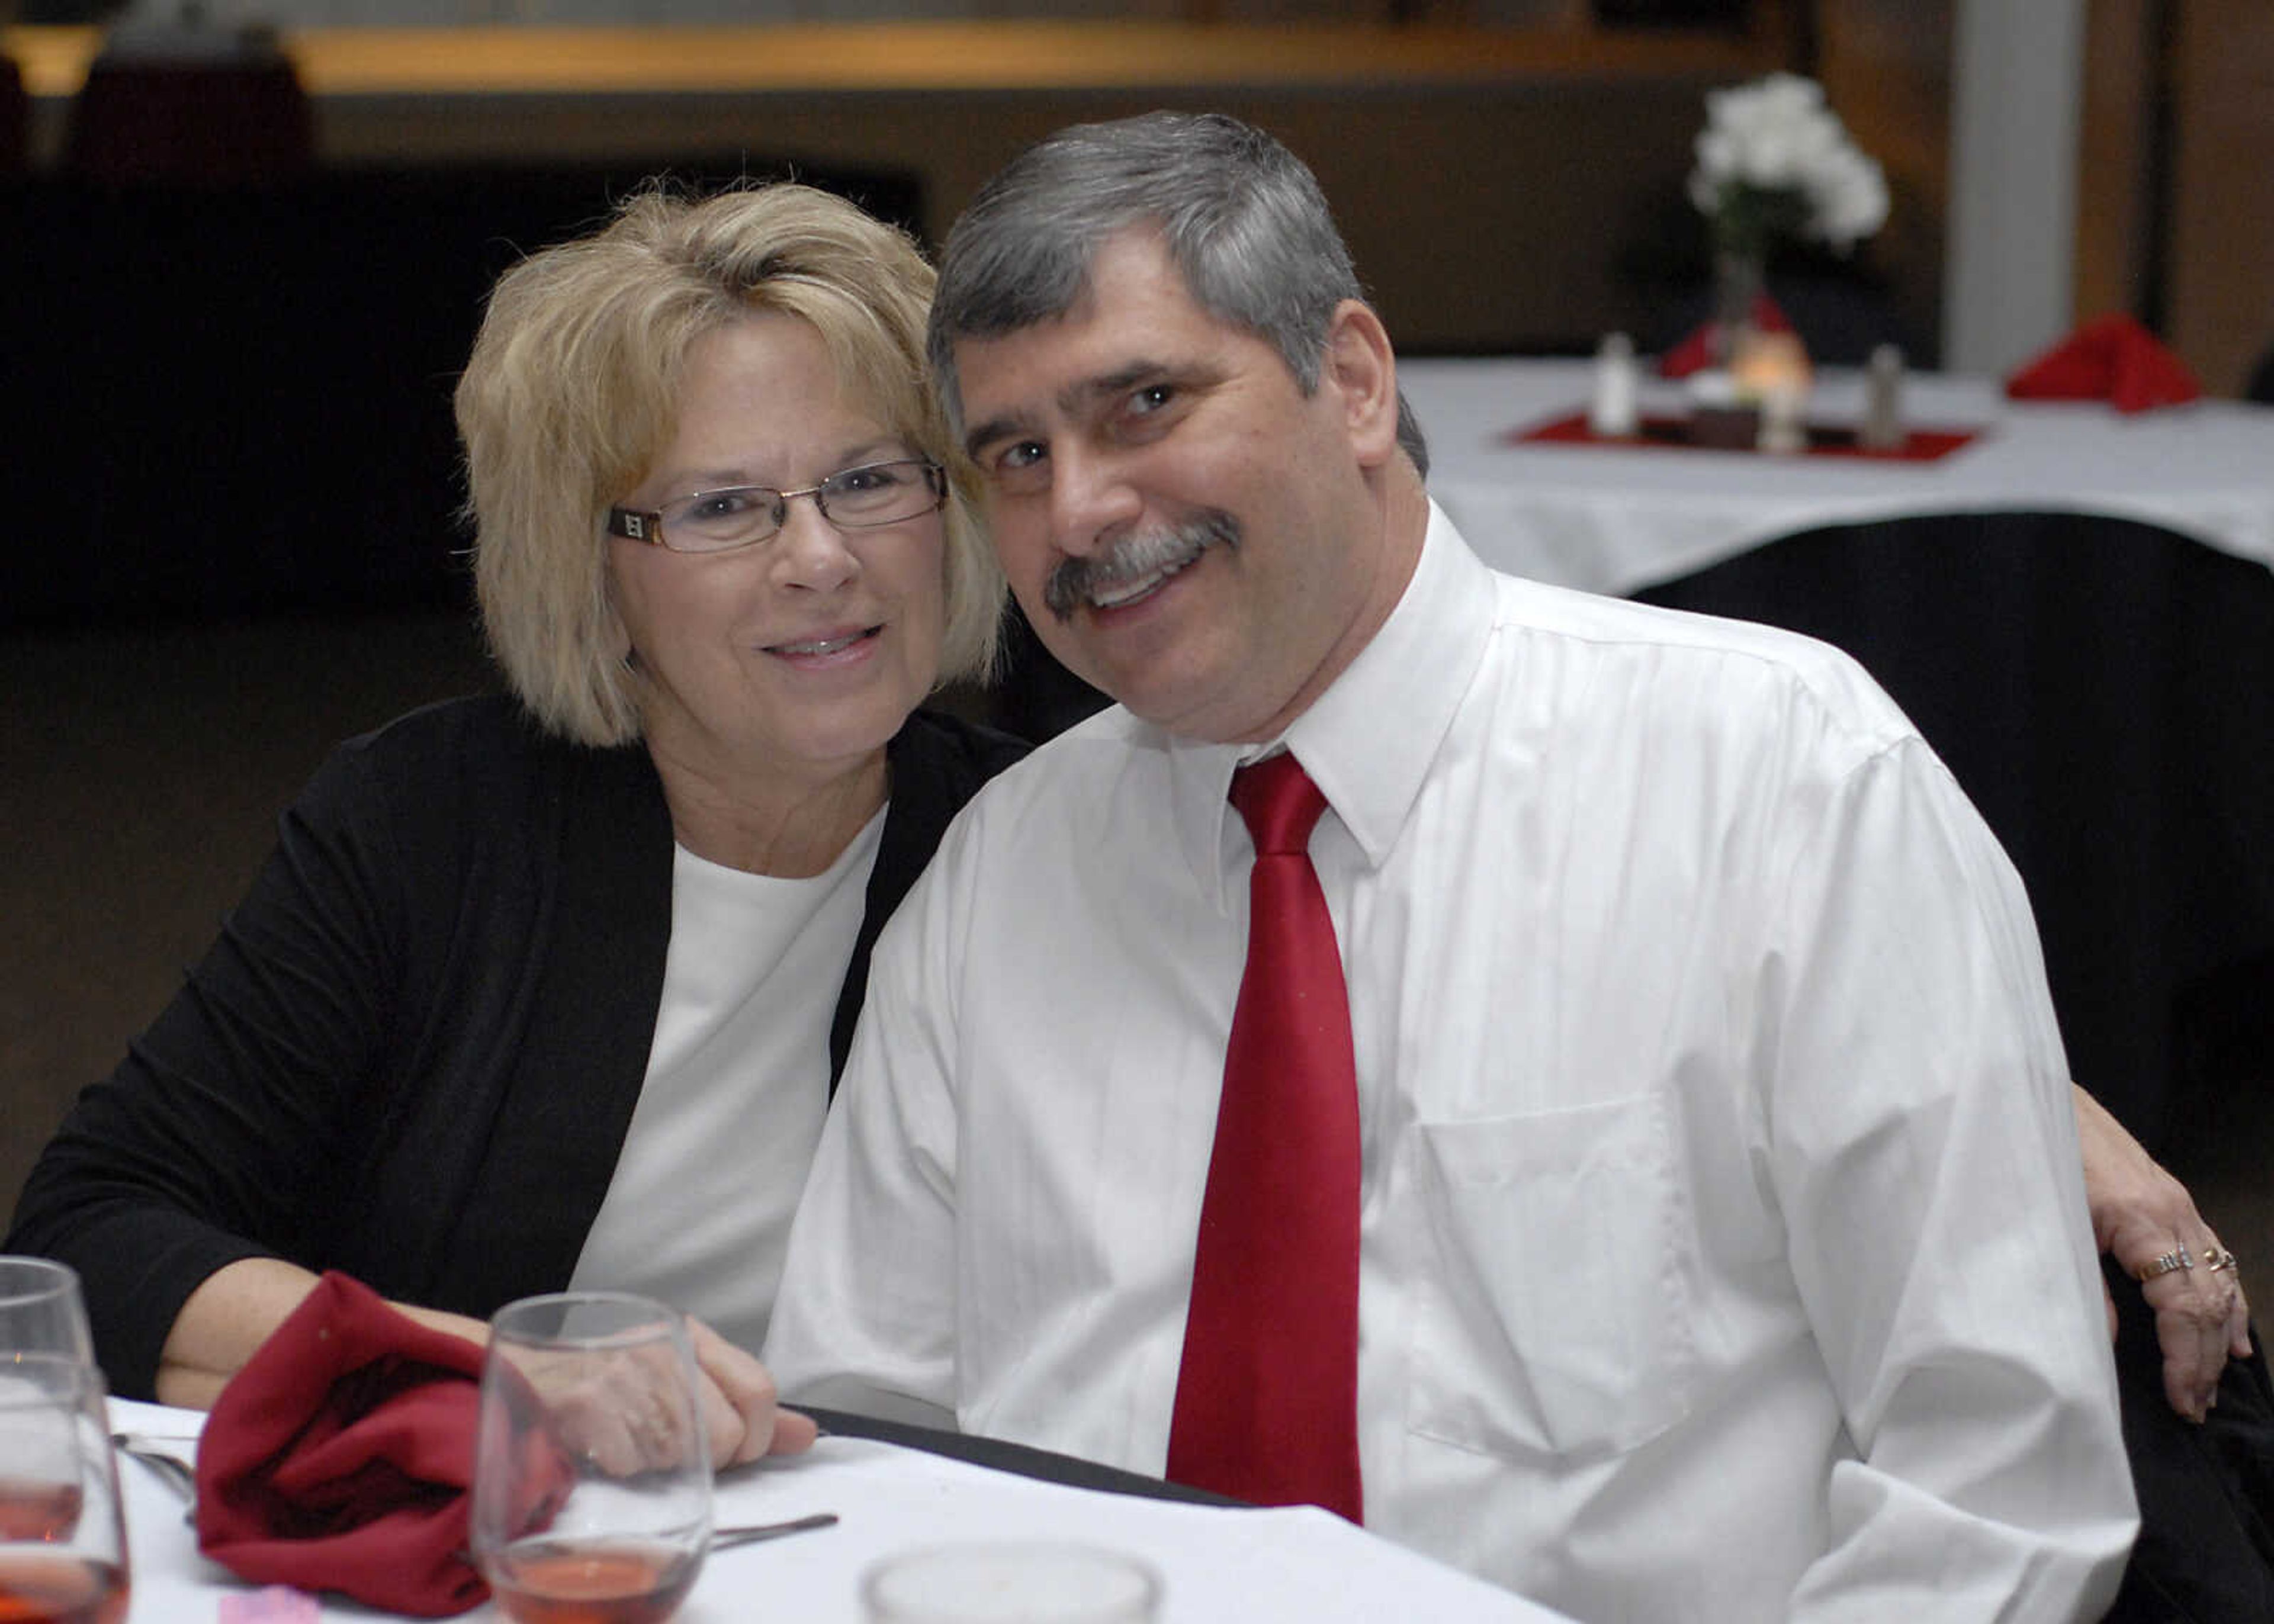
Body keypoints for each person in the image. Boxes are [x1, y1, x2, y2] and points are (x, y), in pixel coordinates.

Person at [764, 111, 2153, 1616]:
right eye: (1019, 455)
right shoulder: (1002, 880)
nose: (1082, 510)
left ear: (1351, 380)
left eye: (1146, 402)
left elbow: (2001, 1486)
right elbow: (869, 1442)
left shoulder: (1779, 781)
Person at [6, 182, 1022, 1467]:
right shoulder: (433, 827)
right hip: (511, 1555)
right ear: (591, 577)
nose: (822, 556)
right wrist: (503, 1373)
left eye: (870, 478)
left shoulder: (1035, 837)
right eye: (722, 506)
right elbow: (84, 1237)